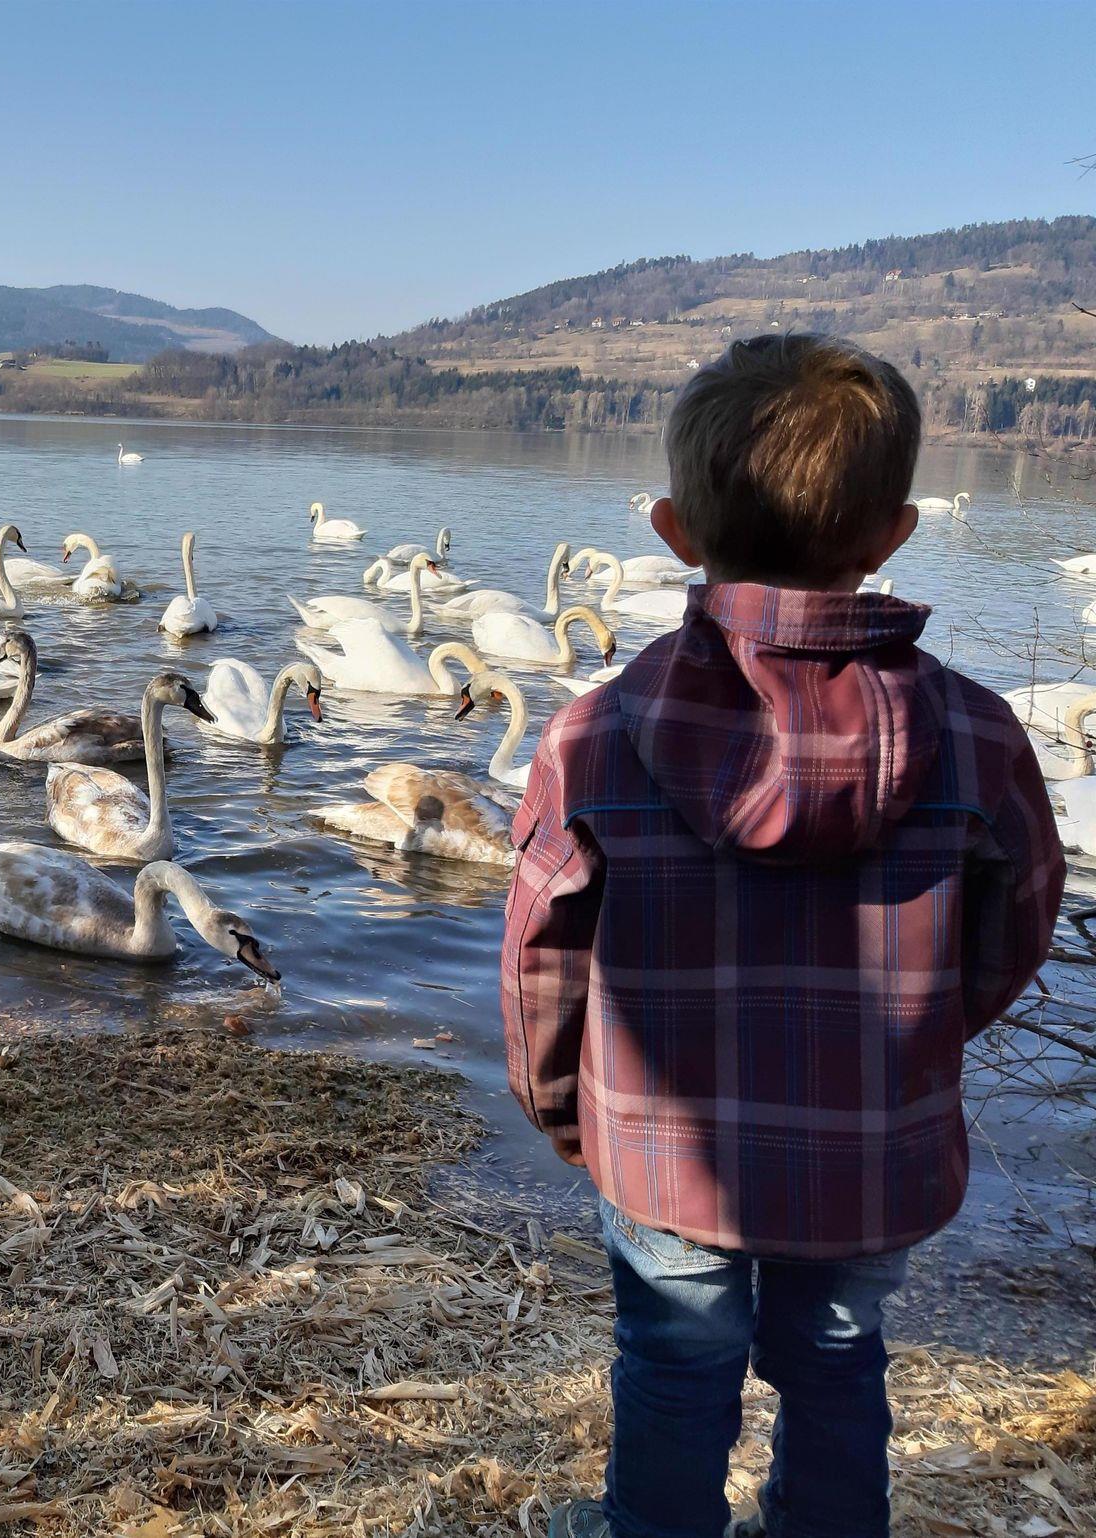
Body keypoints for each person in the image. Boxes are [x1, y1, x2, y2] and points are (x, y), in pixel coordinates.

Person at [503, 334, 1066, 1538]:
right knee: (836, 1355)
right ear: (894, 533)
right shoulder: (979, 738)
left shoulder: (589, 740)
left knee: (671, 1355)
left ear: (670, 529)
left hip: (662, 1150)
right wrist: (913, 1038)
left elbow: (540, 960)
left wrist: (560, 1106)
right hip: (872, 1146)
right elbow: (1016, 924)